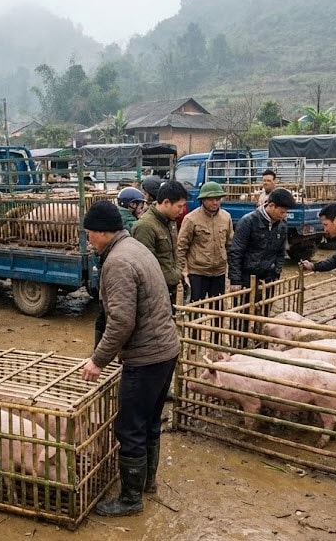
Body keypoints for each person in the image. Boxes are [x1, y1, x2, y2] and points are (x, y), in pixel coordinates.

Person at [79, 201, 180, 517]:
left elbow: (122, 321)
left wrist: (97, 360)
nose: (88, 241)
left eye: (89, 234)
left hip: (146, 356)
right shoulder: (134, 247)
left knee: (129, 427)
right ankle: (147, 482)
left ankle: (130, 498)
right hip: (166, 350)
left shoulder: (118, 262)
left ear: (102, 232)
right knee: (150, 420)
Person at [228, 188, 296, 322]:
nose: (283, 215)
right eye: (282, 212)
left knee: (264, 314)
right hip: (247, 276)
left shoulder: (281, 226)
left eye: (285, 212)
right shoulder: (248, 221)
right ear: (271, 206)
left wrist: (276, 273)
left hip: (267, 276)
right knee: (243, 315)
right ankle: (241, 342)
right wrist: (235, 280)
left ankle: (261, 342)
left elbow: (280, 253)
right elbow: (236, 251)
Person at [133, 180, 187, 304]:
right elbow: (144, 267)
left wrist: (178, 273)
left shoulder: (170, 221)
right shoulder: (145, 226)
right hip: (155, 293)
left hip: (171, 288)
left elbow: (175, 252)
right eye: (179, 206)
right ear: (166, 202)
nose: (182, 211)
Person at [177, 181, 234, 301]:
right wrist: (184, 271)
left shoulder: (226, 217)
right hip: (197, 272)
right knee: (197, 307)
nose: (215, 202)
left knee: (217, 308)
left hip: (219, 272)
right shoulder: (191, 219)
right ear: (203, 199)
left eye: (218, 199)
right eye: (211, 199)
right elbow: (181, 247)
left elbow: (230, 244)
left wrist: (232, 269)